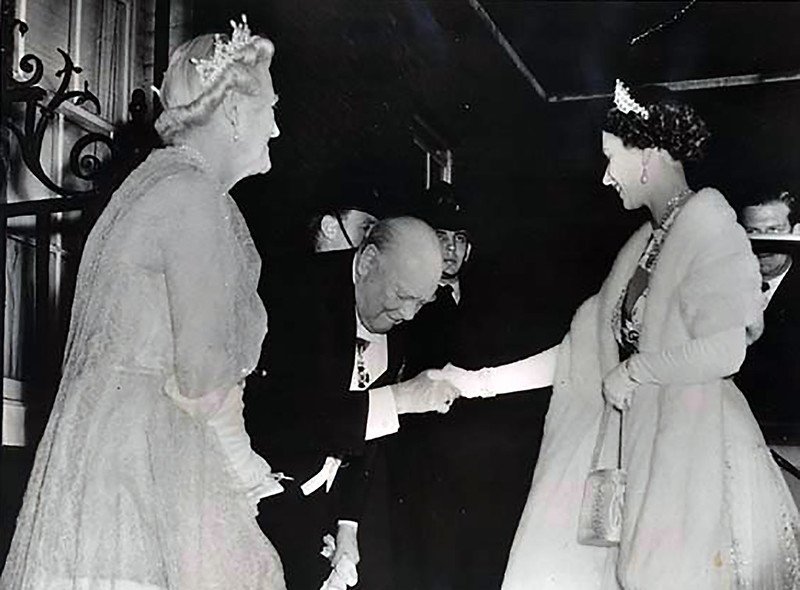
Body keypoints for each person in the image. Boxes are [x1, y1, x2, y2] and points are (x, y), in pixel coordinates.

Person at [436, 82, 800, 589]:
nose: (606, 176)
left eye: (611, 158)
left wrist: (636, 370)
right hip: (635, 450)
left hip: (693, 457)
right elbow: (580, 355)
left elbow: (726, 350)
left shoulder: (712, 226)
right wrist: (477, 382)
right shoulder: (645, 245)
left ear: (647, 155)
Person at [1, 17, 287, 589]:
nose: (276, 128)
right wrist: (249, 476)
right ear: (234, 113)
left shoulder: (157, 183)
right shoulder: (192, 194)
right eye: (270, 109)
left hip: (112, 453)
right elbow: (202, 377)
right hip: (145, 462)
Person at [245, 216, 460, 590]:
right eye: (402, 296)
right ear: (367, 262)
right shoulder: (296, 292)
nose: (408, 314)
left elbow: (365, 433)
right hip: (256, 499)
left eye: (421, 303)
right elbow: (295, 418)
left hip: (317, 506)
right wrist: (401, 399)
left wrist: (348, 525)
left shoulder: (393, 314)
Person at [736, 190, 800, 441]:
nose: (762, 244)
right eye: (752, 231)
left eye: (774, 230)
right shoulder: (718, 284)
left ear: (796, 231)